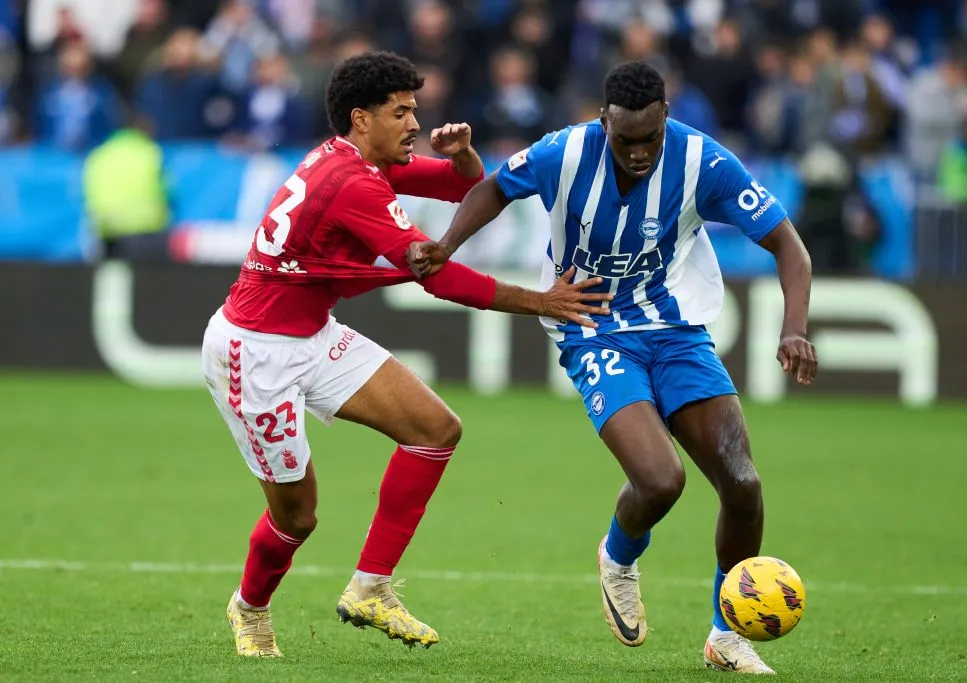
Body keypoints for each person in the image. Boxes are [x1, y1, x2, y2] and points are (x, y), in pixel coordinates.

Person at [408, 61, 818, 675]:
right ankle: (619, 557)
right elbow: (494, 186)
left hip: (677, 331)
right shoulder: (565, 152)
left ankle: (726, 636)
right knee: (661, 481)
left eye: (650, 138)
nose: (638, 152)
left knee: (743, 485)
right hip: (593, 329)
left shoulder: (703, 162)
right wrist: (447, 244)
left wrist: (794, 329)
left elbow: (790, 245)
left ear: (665, 120)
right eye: (625, 140)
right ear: (604, 123)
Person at [202, 50, 611, 658]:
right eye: (401, 112)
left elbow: (457, 185)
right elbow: (438, 278)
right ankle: (250, 607)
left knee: (435, 428)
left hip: (311, 335)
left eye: (415, 110)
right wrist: (543, 301)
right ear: (361, 119)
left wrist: (465, 154)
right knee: (297, 517)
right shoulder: (350, 182)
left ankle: (370, 587)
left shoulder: (356, 161)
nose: (414, 123)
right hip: (254, 353)